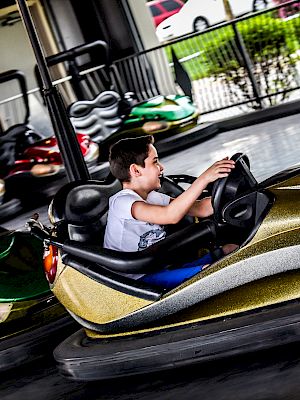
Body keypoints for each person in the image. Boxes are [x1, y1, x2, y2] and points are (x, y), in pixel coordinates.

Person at [103, 135, 236, 289]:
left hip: (159, 267)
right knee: (214, 273)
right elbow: (170, 215)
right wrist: (204, 178)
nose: (161, 167)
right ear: (136, 170)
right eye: (155, 162)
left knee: (230, 249)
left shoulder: (153, 197)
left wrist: (231, 192)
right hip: (136, 282)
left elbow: (200, 208)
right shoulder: (122, 202)